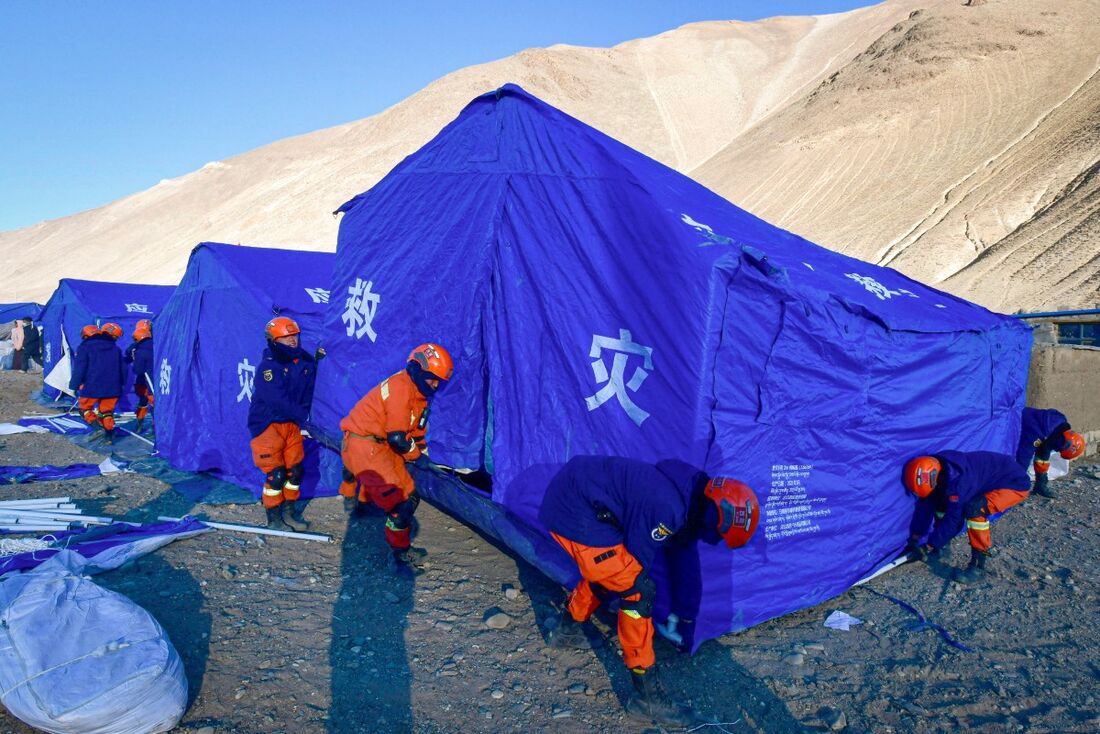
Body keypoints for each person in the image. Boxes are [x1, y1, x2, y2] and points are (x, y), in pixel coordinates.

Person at [538, 456, 760, 728]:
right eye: (717, 536)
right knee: (637, 591)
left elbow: (684, 557)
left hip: (573, 495)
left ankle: (567, 629)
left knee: (615, 570)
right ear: (716, 520)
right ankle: (647, 699)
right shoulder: (668, 507)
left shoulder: (691, 495)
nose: (712, 541)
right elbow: (636, 569)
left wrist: (687, 617)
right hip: (573, 512)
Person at [338, 343, 454, 576]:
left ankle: (362, 507)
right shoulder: (401, 387)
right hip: (366, 445)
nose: (435, 384)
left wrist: (423, 453)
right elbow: (398, 438)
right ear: (418, 369)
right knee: (400, 506)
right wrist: (417, 458)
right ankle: (399, 555)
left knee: (410, 496)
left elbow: (415, 431)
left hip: (378, 445)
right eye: (432, 378)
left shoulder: (418, 393)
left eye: (438, 380)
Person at [903, 450, 1031, 584]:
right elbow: (926, 505)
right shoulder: (939, 468)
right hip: (990, 477)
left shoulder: (960, 483)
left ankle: (978, 566)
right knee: (940, 500)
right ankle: (942, 548)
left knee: (975, 509)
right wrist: (916, 536)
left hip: (1015, 484)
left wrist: (929, 544)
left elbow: (955, 522)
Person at [247, 316, 322, 531]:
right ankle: (274, 518)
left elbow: (310, 383)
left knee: (296, 470)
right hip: (267, 424)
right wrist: (303, 416)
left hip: (291, 424)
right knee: (277, 474)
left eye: (294, 336)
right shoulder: (269, 368)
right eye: (285, 337)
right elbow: (276, 400)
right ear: (274, 340)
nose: (292, 341)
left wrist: (320, 362)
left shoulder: (304, 361)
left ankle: (289, 513)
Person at [70, 322, 126, 443]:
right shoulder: (116, 349)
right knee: (106, 412)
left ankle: (97, 428)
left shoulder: (85, 347)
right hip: (113, 386)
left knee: (84, 408)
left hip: (92, 385)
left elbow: (80, 368)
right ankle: (109, 436)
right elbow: (123, 369)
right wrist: (121, 384)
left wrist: (74, 385)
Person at [1015, 407, 1086, 499]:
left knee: (1043, 454)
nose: (1056, 450)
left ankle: (1040, 486)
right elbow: (1022, 458)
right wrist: (1018, 482)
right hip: (1006, 421)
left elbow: (1043, 454)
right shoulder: (1037, 434)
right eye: (1060, 448)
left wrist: (1041, 481)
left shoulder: (1057, 426)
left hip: (1020, 418)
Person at [123, 319, 155, 433]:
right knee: (152, 402)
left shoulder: (136, 346)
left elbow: (128, 356)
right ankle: (153, 426)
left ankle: (140, 423)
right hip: (152, 378)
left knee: (144, 400)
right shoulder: (158, 342)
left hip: (144, 377)